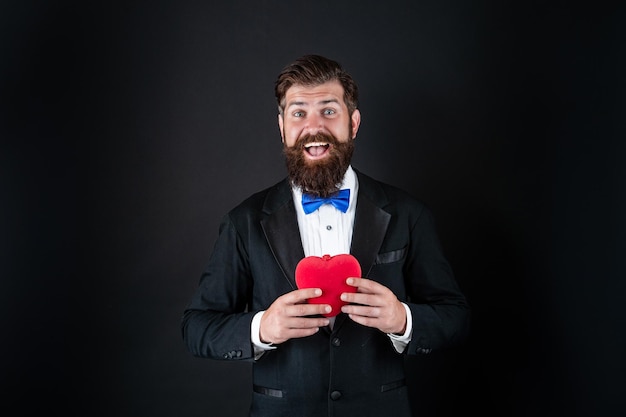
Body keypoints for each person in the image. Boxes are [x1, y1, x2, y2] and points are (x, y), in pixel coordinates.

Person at [182, 54, 470, 417]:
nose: (313, 126)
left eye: (329, 111)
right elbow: (197, 327)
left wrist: (403, 320)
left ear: (353, 122)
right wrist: (261, 327)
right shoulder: (244, 221)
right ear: (282, 127)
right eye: (299, 112)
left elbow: (455, 317)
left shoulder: (409, 213)